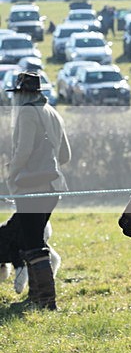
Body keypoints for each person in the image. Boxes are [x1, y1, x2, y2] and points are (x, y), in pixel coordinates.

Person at [5, 72, 71, 310]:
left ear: (22, 94)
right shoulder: (53, 112)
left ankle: (44, 303)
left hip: (31, 188)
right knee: (34, 241)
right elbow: (65, 156)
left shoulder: (26, 113)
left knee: (33, 244)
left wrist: (11, 174)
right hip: (53, 187)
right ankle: (36, 299)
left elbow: (22, 151)